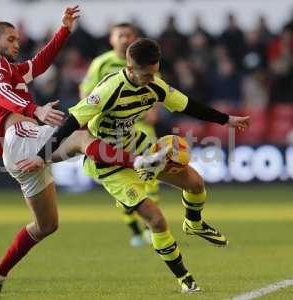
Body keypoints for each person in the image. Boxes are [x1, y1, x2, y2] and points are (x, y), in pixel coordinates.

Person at [26, 38, 250, 293]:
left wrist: (226, 120)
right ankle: (184, 278)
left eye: (154, 73)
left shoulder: (155, 85)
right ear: (130, 69)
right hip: (107, 161)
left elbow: (188, 105)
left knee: (196, 183)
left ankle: (194, 223)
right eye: (146, 75)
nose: (151, 80)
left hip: (137, 146)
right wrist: (41, 154)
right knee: (157, 221)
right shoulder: (109, 89)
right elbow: (71, 123)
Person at [0, 6, 138, 293]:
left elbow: (40, 63)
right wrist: (34, 109)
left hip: (19, 152)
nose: (17, 44)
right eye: (11, 39)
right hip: (21, 135)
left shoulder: (11, 69)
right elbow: (1, 94)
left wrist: (64, 29)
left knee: (47, 225)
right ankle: (139, 162)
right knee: (78, 137)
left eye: (17, 39)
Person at [79, 22, 160, 246]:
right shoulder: (101, 63)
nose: (125, 38)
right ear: (112, 39)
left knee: (151, 178)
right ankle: (136, 231)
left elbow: (156, 88)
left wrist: (153, 111)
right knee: (126, 182)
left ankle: (150, 228)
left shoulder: (143, 61)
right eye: (120, 35)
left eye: (129, 35)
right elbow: (86, 94)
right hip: (113, 129)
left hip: (141, 127)